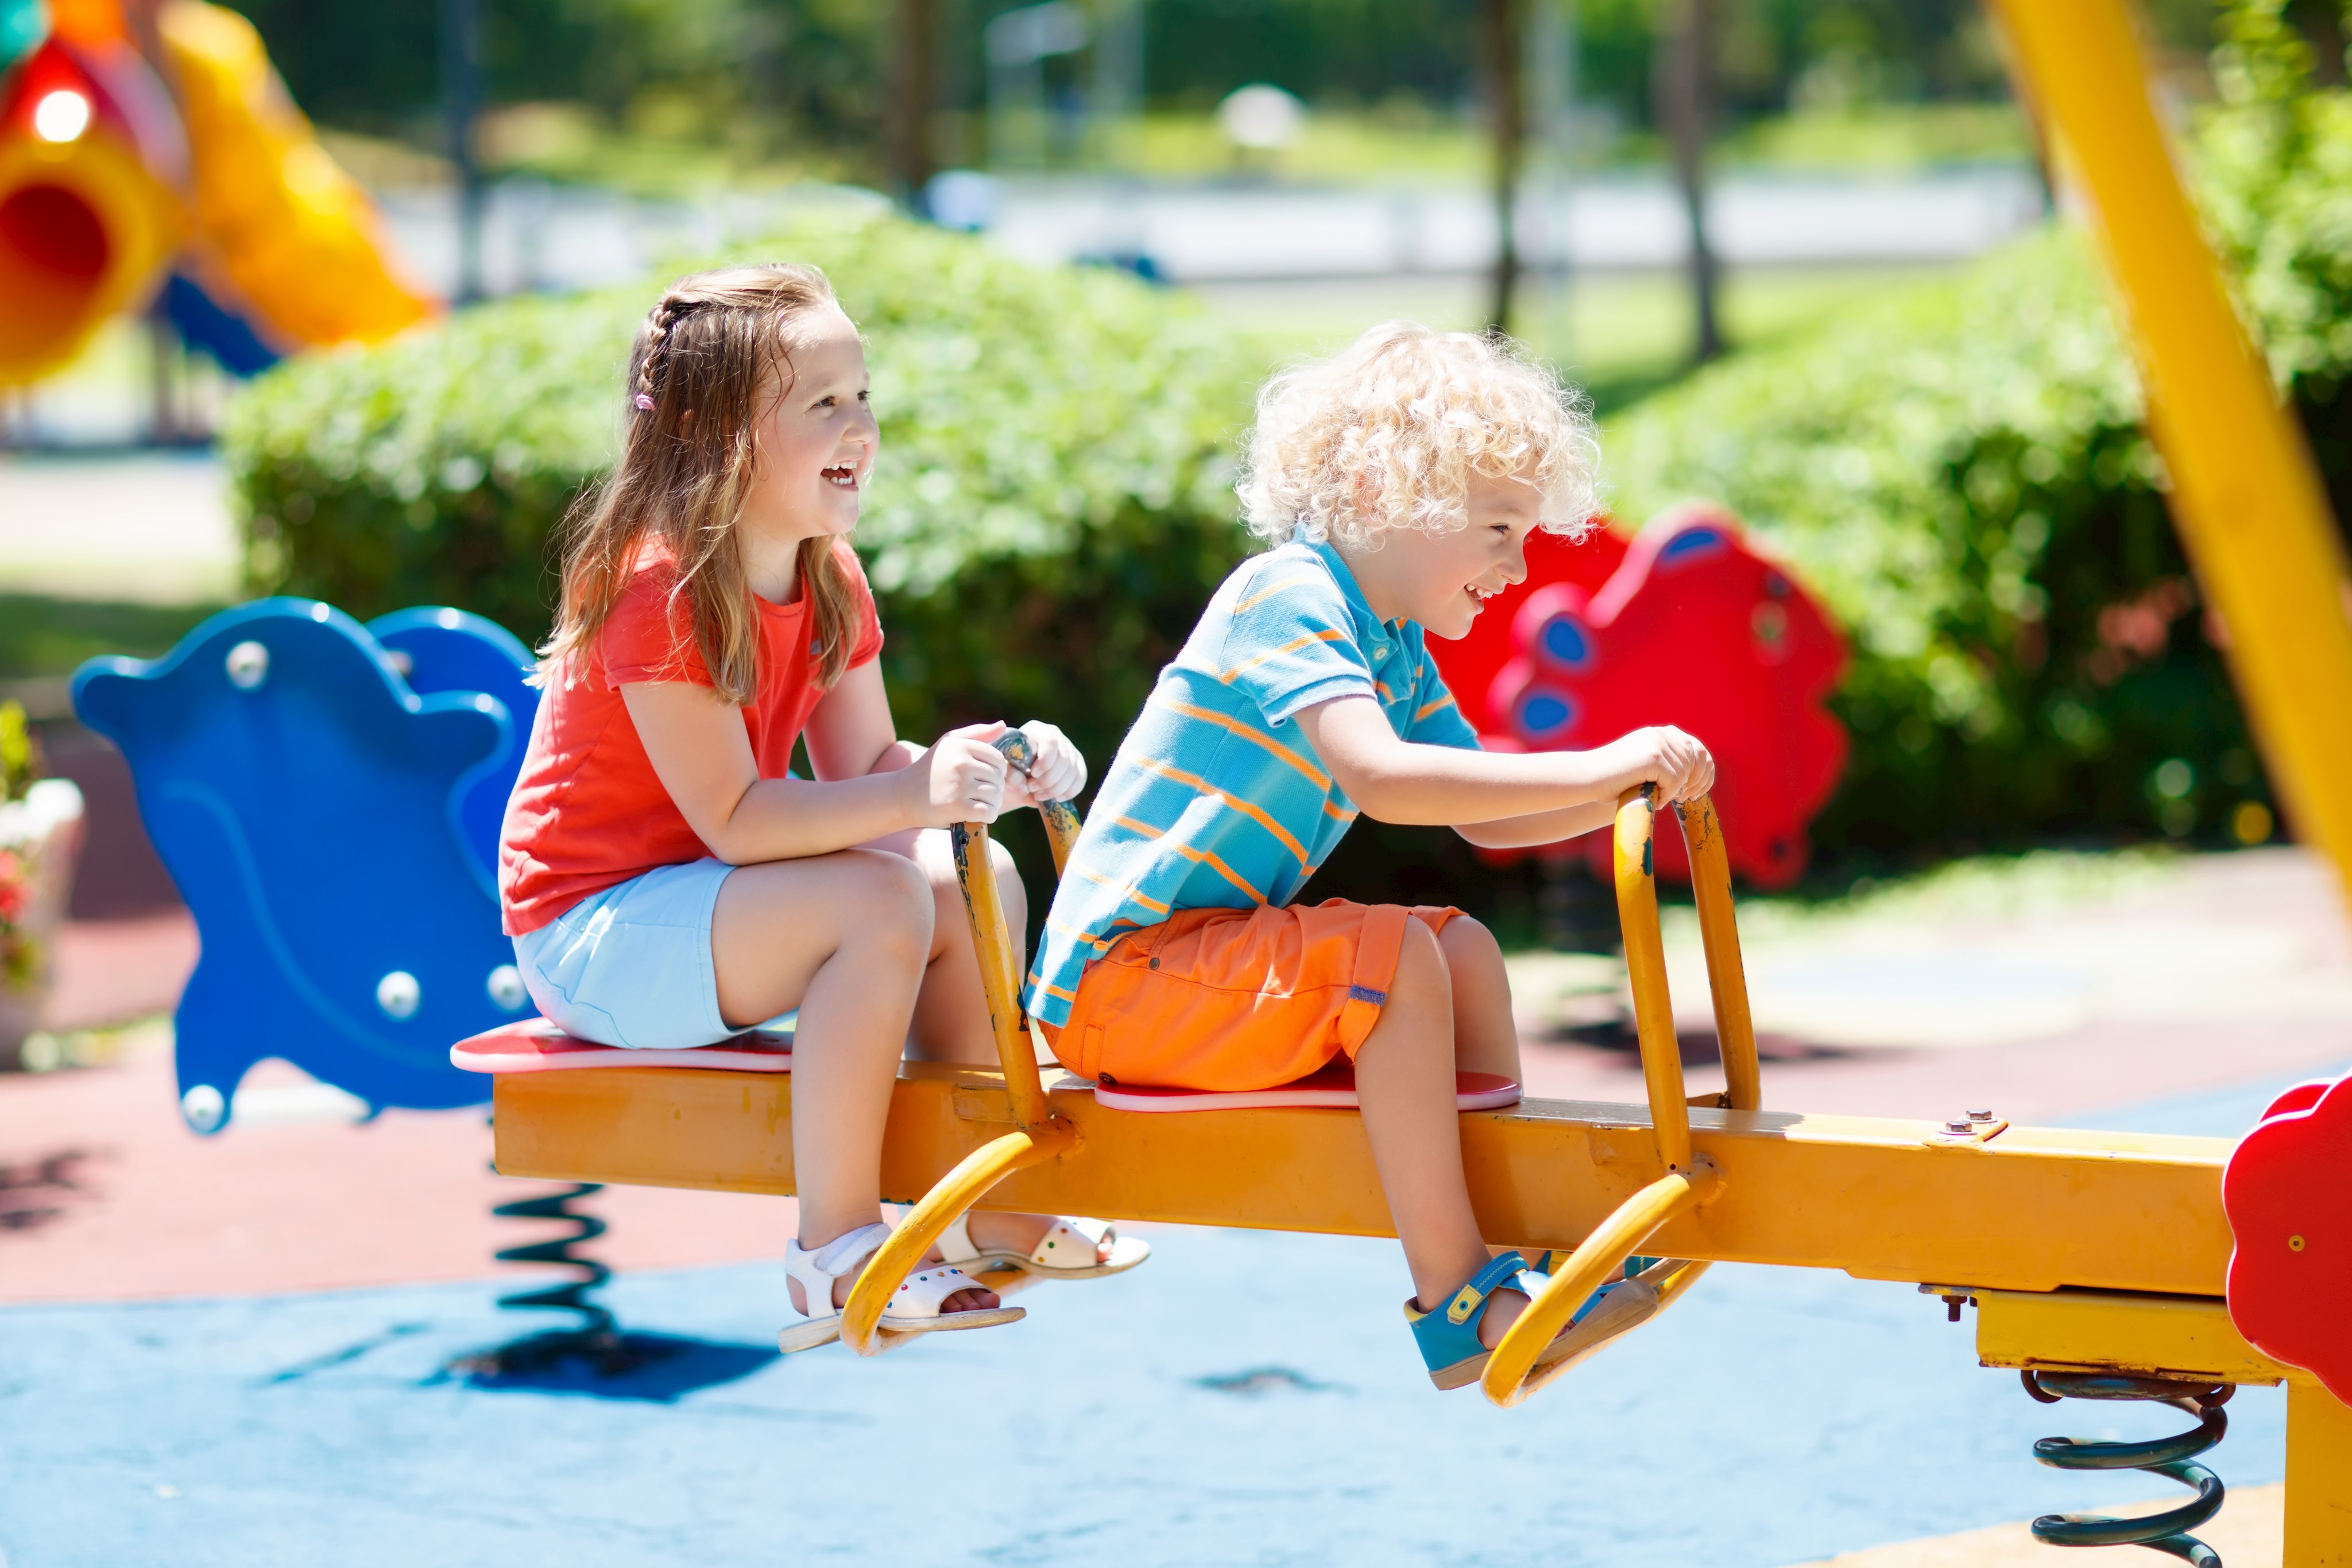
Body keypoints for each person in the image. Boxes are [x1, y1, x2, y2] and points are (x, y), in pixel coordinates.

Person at [1024, 321, 1713, 1390]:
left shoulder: (1387, 639)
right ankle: (1460, 1307)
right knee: (1390, 961)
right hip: (1120, 982)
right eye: (1496, 529)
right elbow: (1389, 781)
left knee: (1466, 954)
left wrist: (1623, 783)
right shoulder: (1287, 597)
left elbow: (1483, 818)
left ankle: (1520, 1249)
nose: (1517, 568)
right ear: (1384, 489)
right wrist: (1602, 762)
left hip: (1194, 958)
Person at [500, 264, 1147, 1356]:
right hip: (592, 930)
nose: (863, 428)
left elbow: (871, 768)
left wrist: (984, 764)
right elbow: (739, 821)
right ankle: (834, 1251)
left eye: (864, 396)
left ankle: (982, 1205)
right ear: (717, 436)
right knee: (880, 904)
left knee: (971, 877)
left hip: (716, 904)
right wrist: (914, 793)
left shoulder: (827, 574)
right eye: (823, 405)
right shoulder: (657, 586)